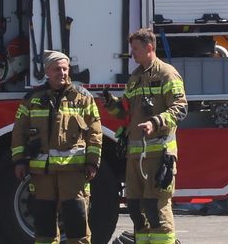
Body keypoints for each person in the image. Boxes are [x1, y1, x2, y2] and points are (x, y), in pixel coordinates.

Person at [104, 28, 187, 244]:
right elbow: (126, 112)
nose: (133, 54)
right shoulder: (136, 77)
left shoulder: (167, 73)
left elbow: (181, 107)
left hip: (159, 156)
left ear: (149, 48)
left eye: (136, 50)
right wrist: (111, 105)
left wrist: (155, 122)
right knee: (135, 209)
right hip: (136, 158)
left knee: (155, 208)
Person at [11, 50, 102, 244]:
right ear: (47, 72)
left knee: (77, 222)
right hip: (42, 174)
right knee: (44, 226)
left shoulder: (83, 97)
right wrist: (19, 161)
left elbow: (95, 132)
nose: (61, 73)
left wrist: (93, 163)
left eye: (64, 68)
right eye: (56, 69)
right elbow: (19, 132)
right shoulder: (32, 99)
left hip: (73, 173)